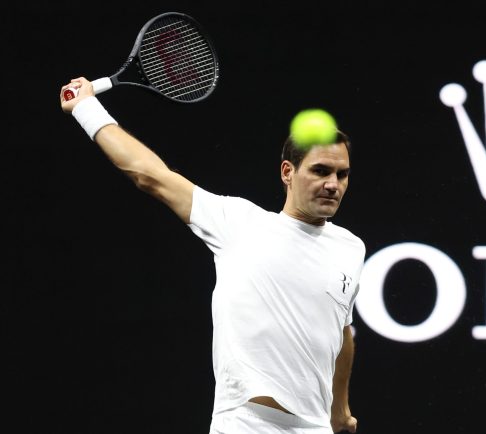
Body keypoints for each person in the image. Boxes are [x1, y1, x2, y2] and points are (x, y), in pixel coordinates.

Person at [60, 77, 363, 434]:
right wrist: (86, 107)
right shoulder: (237, 222)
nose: (333, 184)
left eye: (342, 174)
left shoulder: (351, 248)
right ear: (288, 172)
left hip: (316, 428)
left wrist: (339, 410)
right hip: (247, 423)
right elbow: (150, 175)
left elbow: (341, 333)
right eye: (321, 171)